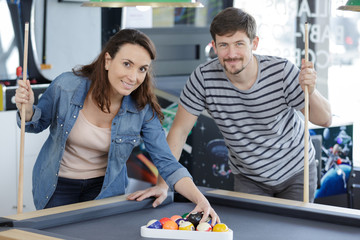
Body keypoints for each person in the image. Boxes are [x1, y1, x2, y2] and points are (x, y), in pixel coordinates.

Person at [128, 7, 332, 204]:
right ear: (214, 47)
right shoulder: (203, 78)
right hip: (249, 178)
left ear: (255, 43)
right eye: (224, 45)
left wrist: (311, 90)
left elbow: (324, 119)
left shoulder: (282, 71)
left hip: (296, 171)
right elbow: (179, 132)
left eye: (239, 44)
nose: (231, 53)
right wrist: (163, 184)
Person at [15, 28, 219, 223]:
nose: (133, 77)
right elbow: (34, 124)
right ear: (107, 60)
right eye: (127, 64)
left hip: (105, 189)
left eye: (142, 69)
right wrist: (27, 111)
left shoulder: (142, 108)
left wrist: (199, 199)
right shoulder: (66, 86)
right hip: (57, 185)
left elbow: (167, 162)